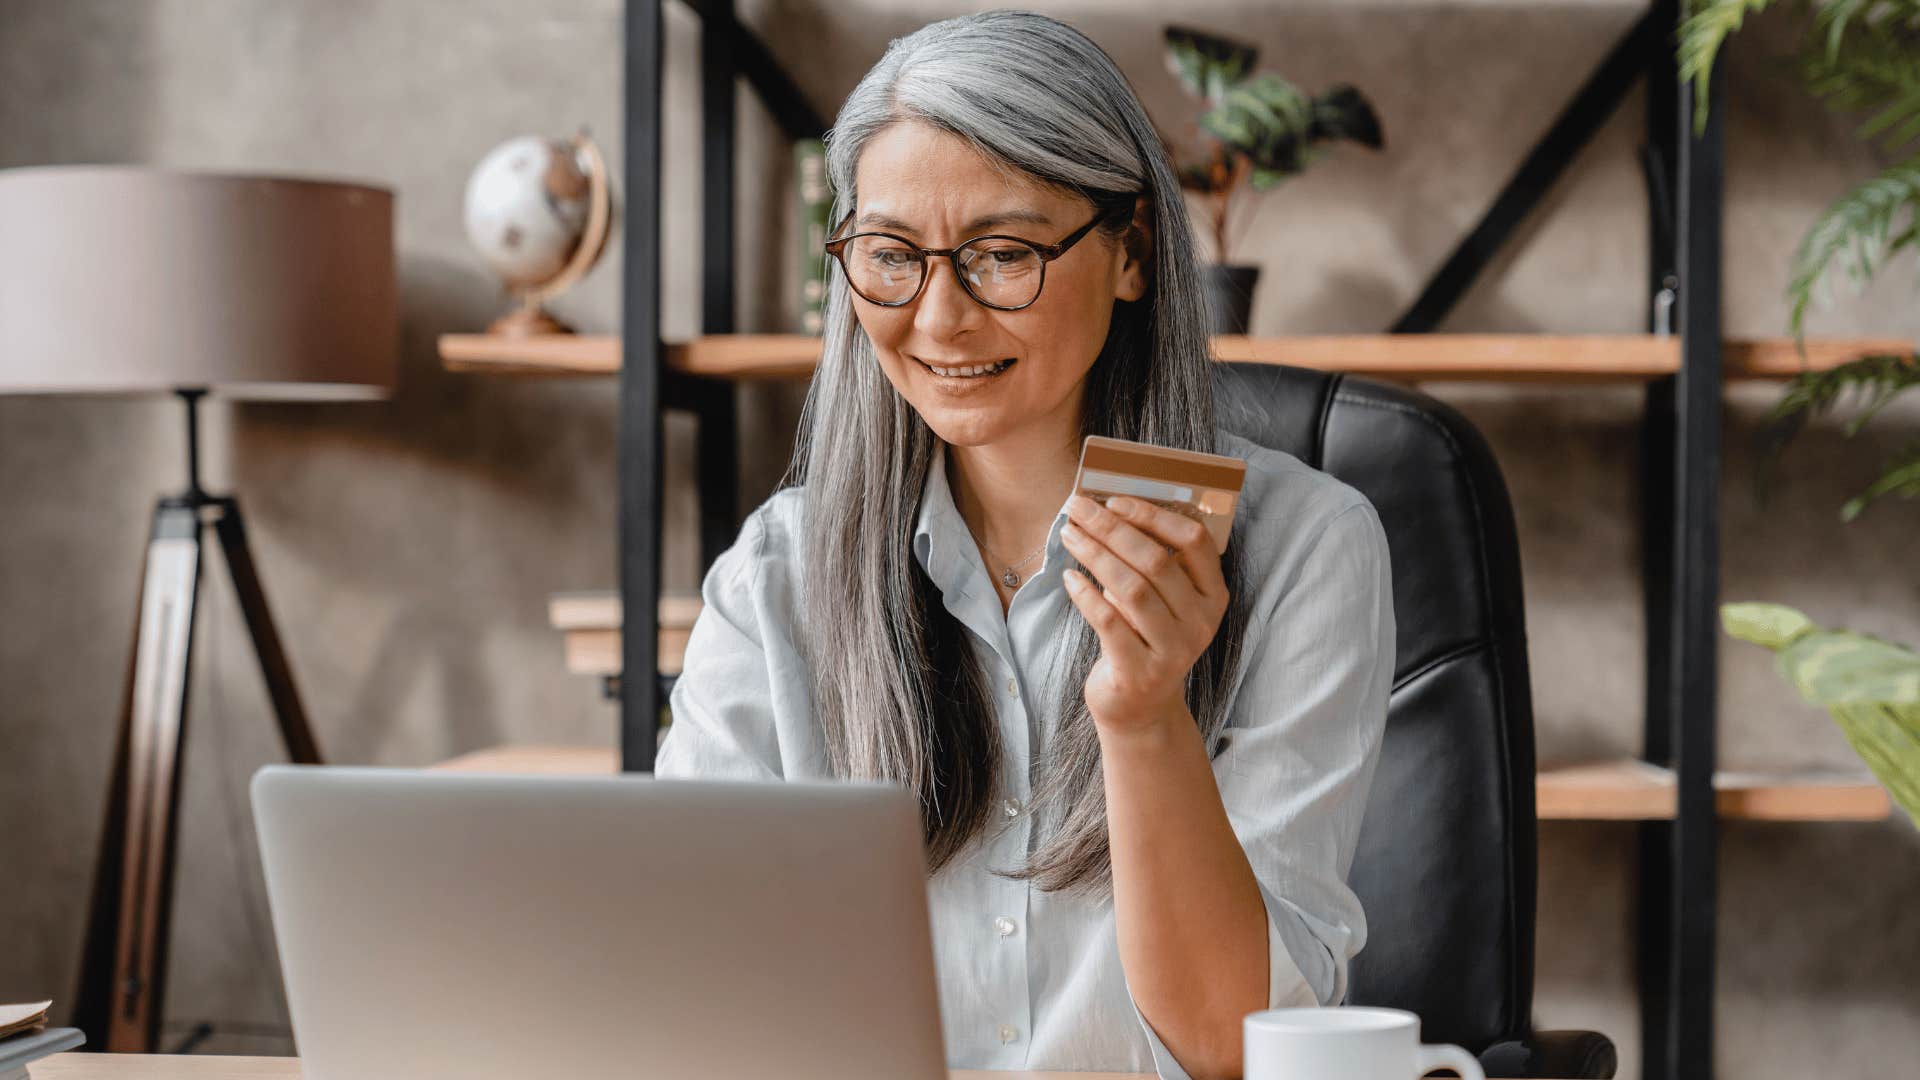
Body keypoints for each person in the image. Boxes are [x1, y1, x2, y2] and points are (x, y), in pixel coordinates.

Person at [655, 10, 1395, 1080]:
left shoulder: (1305, 550)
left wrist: (1144, 719)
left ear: (1132, 250)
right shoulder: (777, 573)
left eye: (1003, 255)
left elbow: (1235, 1046)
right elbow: (678, 974)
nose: (940, 317)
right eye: (890, 257)